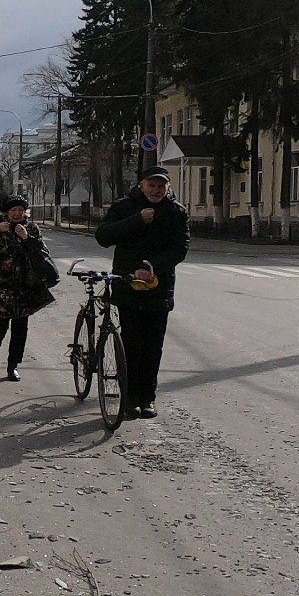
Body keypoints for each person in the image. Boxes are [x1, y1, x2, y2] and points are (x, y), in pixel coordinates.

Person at [95, 167, 190, 419]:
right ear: (142, 185)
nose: (156, 190)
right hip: (128, 286)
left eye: (161, 186)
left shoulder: (176, 212)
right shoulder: (124, 207)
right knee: (131, 343)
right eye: (152, 185)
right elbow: (103, 237)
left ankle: (148, 398)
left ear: (167, 187)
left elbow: (180, 248)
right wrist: (137, 220)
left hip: (159, 288)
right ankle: (131, 398)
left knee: (153, 346)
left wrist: (152, 267)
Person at [0, 196, 55, 381]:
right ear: (6, 212)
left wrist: (26, 238)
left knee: (20, 329)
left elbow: (42, 252)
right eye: (13, 210)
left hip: (24, 287)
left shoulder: (31, 228)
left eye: (20, 210)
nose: (17, 213)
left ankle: (13, 366)